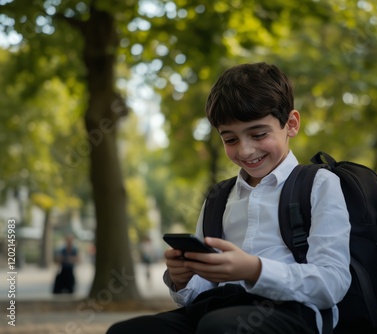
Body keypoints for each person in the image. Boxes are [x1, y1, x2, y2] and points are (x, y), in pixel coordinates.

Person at [107, 62, 351, 333]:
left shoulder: (318, 183)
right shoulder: (219, 197)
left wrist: (255, 270)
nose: (246, 151)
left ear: (291, 124)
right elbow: (205, 287)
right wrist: (182, 279)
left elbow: (333, 281)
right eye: (230, 140)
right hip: (218, 308)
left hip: (290, 310)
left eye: (258, 134)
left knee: (219, 327)